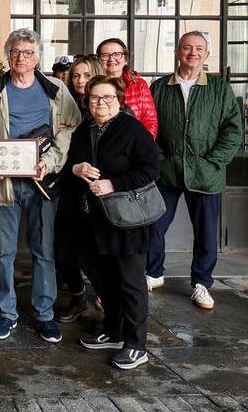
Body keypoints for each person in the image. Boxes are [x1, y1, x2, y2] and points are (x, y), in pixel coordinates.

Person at [0, 28, 82, 343]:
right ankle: (7, 314)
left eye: (29, 52)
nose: (22, 58)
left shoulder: (56, 89)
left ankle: (44, 315)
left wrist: (52, 161)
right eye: (16, 52)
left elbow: (70, 127)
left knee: (43, 252)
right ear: (8, 55)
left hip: (42, 183)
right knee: (3, 253)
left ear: (37, 57)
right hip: (2, 184)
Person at [66, 76, 160, 370]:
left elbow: (151, 169)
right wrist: (76, 168)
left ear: (120, 100)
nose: (101, 103)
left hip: (125, 221)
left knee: (131, 284)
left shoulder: (132, 129)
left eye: (107, 98)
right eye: (95, 98)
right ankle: (114, 330)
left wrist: (113, 183)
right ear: (87, 101)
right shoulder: (85, 130)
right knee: (105, 281)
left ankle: (136, 345)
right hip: (93, 221)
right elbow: (73, 162)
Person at [147, 31, 242, 309]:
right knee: (154, 225)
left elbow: (232, 130)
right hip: (167, 171)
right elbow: (149, 129)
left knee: (206, 234)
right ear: (177, 52)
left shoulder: (219, 88)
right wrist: (160, 159)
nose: (193, 53)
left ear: (207, 55)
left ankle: (201, 283)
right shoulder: (161, 87)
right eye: (187, 48)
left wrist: (213, 161)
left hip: (205, 174)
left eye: (199, 48)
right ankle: (153, 273)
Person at [53, 54, 105, 323]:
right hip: (71, 193)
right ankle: (78, 298)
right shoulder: (69, 107)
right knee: (62, 251)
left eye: (86, 75)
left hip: (100, 196)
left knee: (92, 255)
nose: (80, 80)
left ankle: (111, 303)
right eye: (76, 75)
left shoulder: (108, 107)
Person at [96, 38, 158, 139]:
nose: (111, 59)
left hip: (134, 146)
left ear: (125, 59)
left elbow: (150, 121)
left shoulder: (139, 84)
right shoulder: (93, 85)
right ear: (99, 60)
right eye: (105, 55)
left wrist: (142, 147)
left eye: (117, 54)